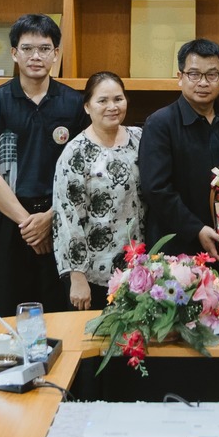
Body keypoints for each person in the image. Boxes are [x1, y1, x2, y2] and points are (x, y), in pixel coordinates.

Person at [0, 15, 89, 316]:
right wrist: (28, 224)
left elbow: (86, 169)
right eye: (27, 48)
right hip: (10, 222)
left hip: (62, 220)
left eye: (44, 49)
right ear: (14, 53)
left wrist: (50, 217)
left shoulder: (75, 104)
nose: (36, 56)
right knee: (6, 311)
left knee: (60, 312)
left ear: (56, 54)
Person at [139, 38, 219, 286]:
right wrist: (196, 229)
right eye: (194, 74)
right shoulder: (160, 123)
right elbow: (156, 189)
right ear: (180, 77)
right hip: (177, 249)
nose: (203, 82)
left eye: (211, 75)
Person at [52, 72, 146, 309]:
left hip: (140, 269)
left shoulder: (140, 139)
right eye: (102, 100)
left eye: (118, 99)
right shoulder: (75, 153)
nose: (112, 107)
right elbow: (67, 218)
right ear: (87, 106)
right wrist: (77, 276)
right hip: (94, 274)